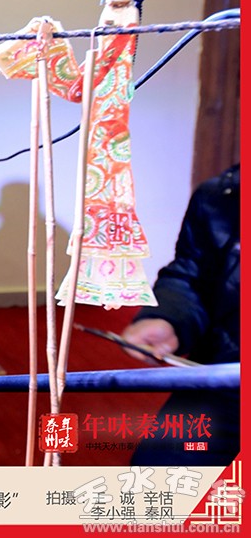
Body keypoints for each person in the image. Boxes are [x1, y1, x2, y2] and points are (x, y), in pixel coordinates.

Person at [121, 163, 239, 466]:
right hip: (228, 374)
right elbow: (192, 274)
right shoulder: (221, 195)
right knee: (156, 472)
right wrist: (169, 317)